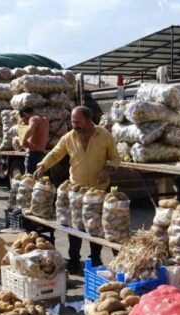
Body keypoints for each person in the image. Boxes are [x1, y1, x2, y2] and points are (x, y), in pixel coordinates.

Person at [34, 106, 120, 272]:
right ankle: (74, 259)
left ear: (89, 120)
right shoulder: (69, 137)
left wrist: (107, 170)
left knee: (95, 227)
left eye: (78, 122)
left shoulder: (104, 135)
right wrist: (43, 165)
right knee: (74, 227)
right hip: (76, 191)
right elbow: (55, 153)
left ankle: (95, 258)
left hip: (98, 191)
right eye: (73, 122)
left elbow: (115, 158)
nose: (74, 125)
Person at [19, 107, 50, 174]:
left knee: (28, 177)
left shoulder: (33, 119)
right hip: (41, 153)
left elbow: (30, 129)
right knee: (38, 177)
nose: (25, 122)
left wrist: (24, 140)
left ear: (25, 114)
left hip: (32, 154)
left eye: (23, 119)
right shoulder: (45, 120)